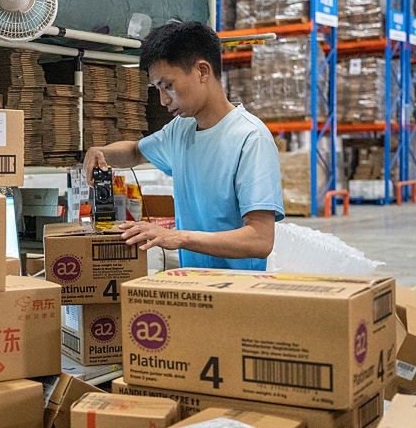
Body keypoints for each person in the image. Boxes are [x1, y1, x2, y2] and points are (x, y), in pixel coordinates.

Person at [83, 21, 283, 270]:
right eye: (157, 88)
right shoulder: (181, 129)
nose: (163, 99)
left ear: (202, 71)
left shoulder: (251, 139)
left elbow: (260, 239)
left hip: (237, 293)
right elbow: (135, 152)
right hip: (194, 285)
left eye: (168, 86)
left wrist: (179, 237)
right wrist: (101, 152)